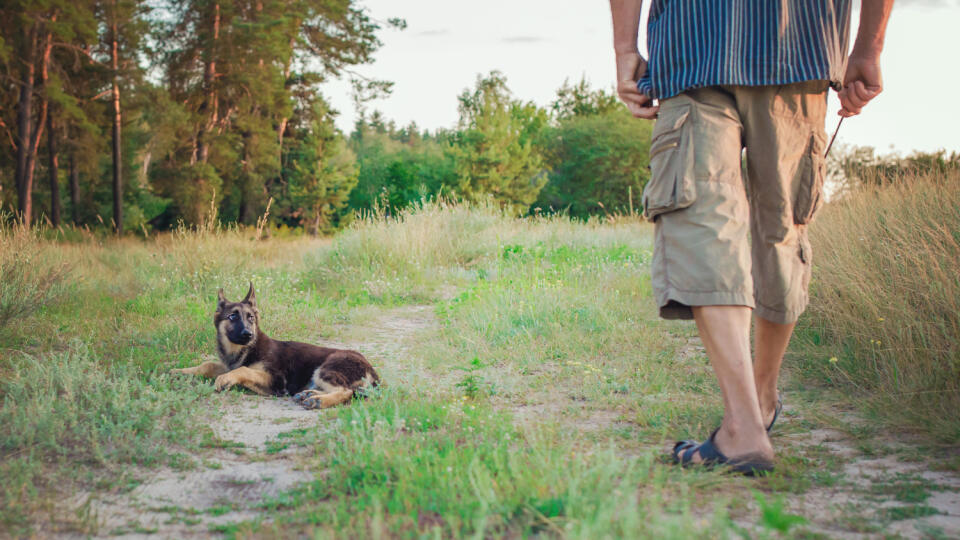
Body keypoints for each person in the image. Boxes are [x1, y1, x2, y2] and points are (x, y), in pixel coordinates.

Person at [609, 0, 893, 474]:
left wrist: (624, 49)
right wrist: (868, 47)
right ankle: (752, 411)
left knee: (705, 222)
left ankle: (751, 411)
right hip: (796, 43)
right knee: (778, 227)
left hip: (695, 40)